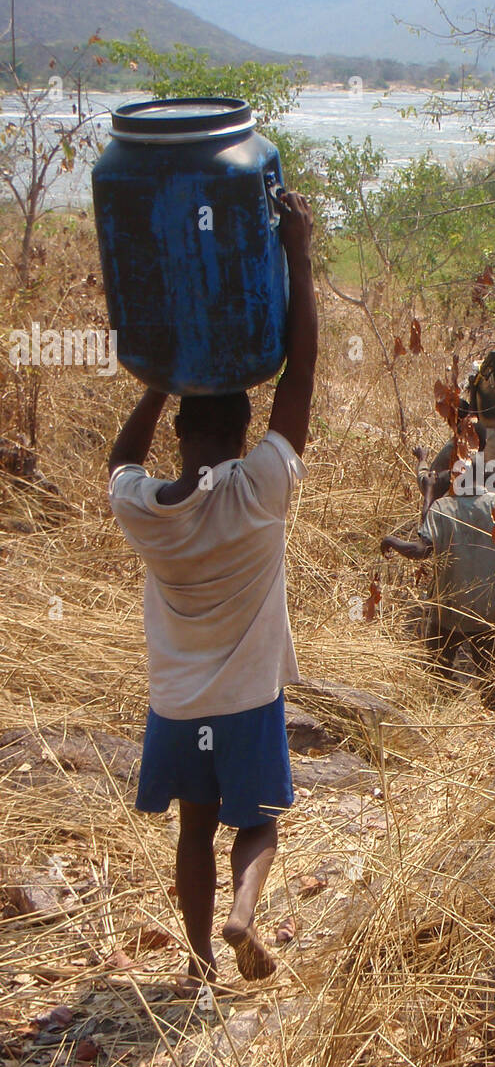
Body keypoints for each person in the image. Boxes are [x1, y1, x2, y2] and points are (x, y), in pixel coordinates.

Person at [107, 192, 317, 989]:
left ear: (177, 434)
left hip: (176, 704)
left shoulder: (144, 513)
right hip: (246, 700)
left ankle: (197, 959)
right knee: (255, 822)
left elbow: (121, 462)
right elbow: (302, 372)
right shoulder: (260, 490)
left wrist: (157, 379)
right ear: (241, 435)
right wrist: (295, 252)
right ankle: (243, 915)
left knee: (193, 828)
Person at [381, 409, 495, 697]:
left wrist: (394, 540)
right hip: (492, 612)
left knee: (441, 677)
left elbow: (421, 549)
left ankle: (446, 713)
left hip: (450, 612)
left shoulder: (443, 507)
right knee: (489, 678)